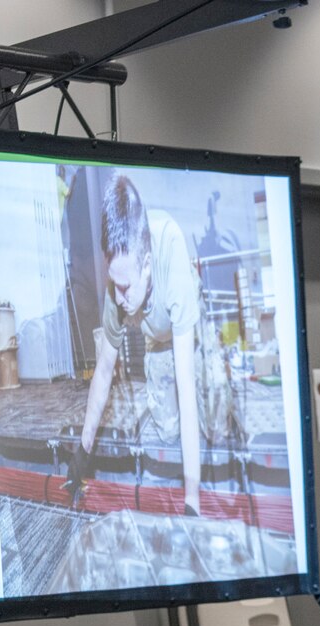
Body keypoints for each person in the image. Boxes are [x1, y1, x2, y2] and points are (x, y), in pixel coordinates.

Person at [67, 172, 220, 516]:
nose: (118, 297)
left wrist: (191, 500)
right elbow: (103, 373)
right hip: (156, 335)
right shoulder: (117, 288)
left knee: (212, 416)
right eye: (113, 283)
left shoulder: (172, 254)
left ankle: (204, 480)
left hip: (187, 330)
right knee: (167, 430)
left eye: (125, 287)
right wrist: (82, 451)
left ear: (147, 266)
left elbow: (186, 385)